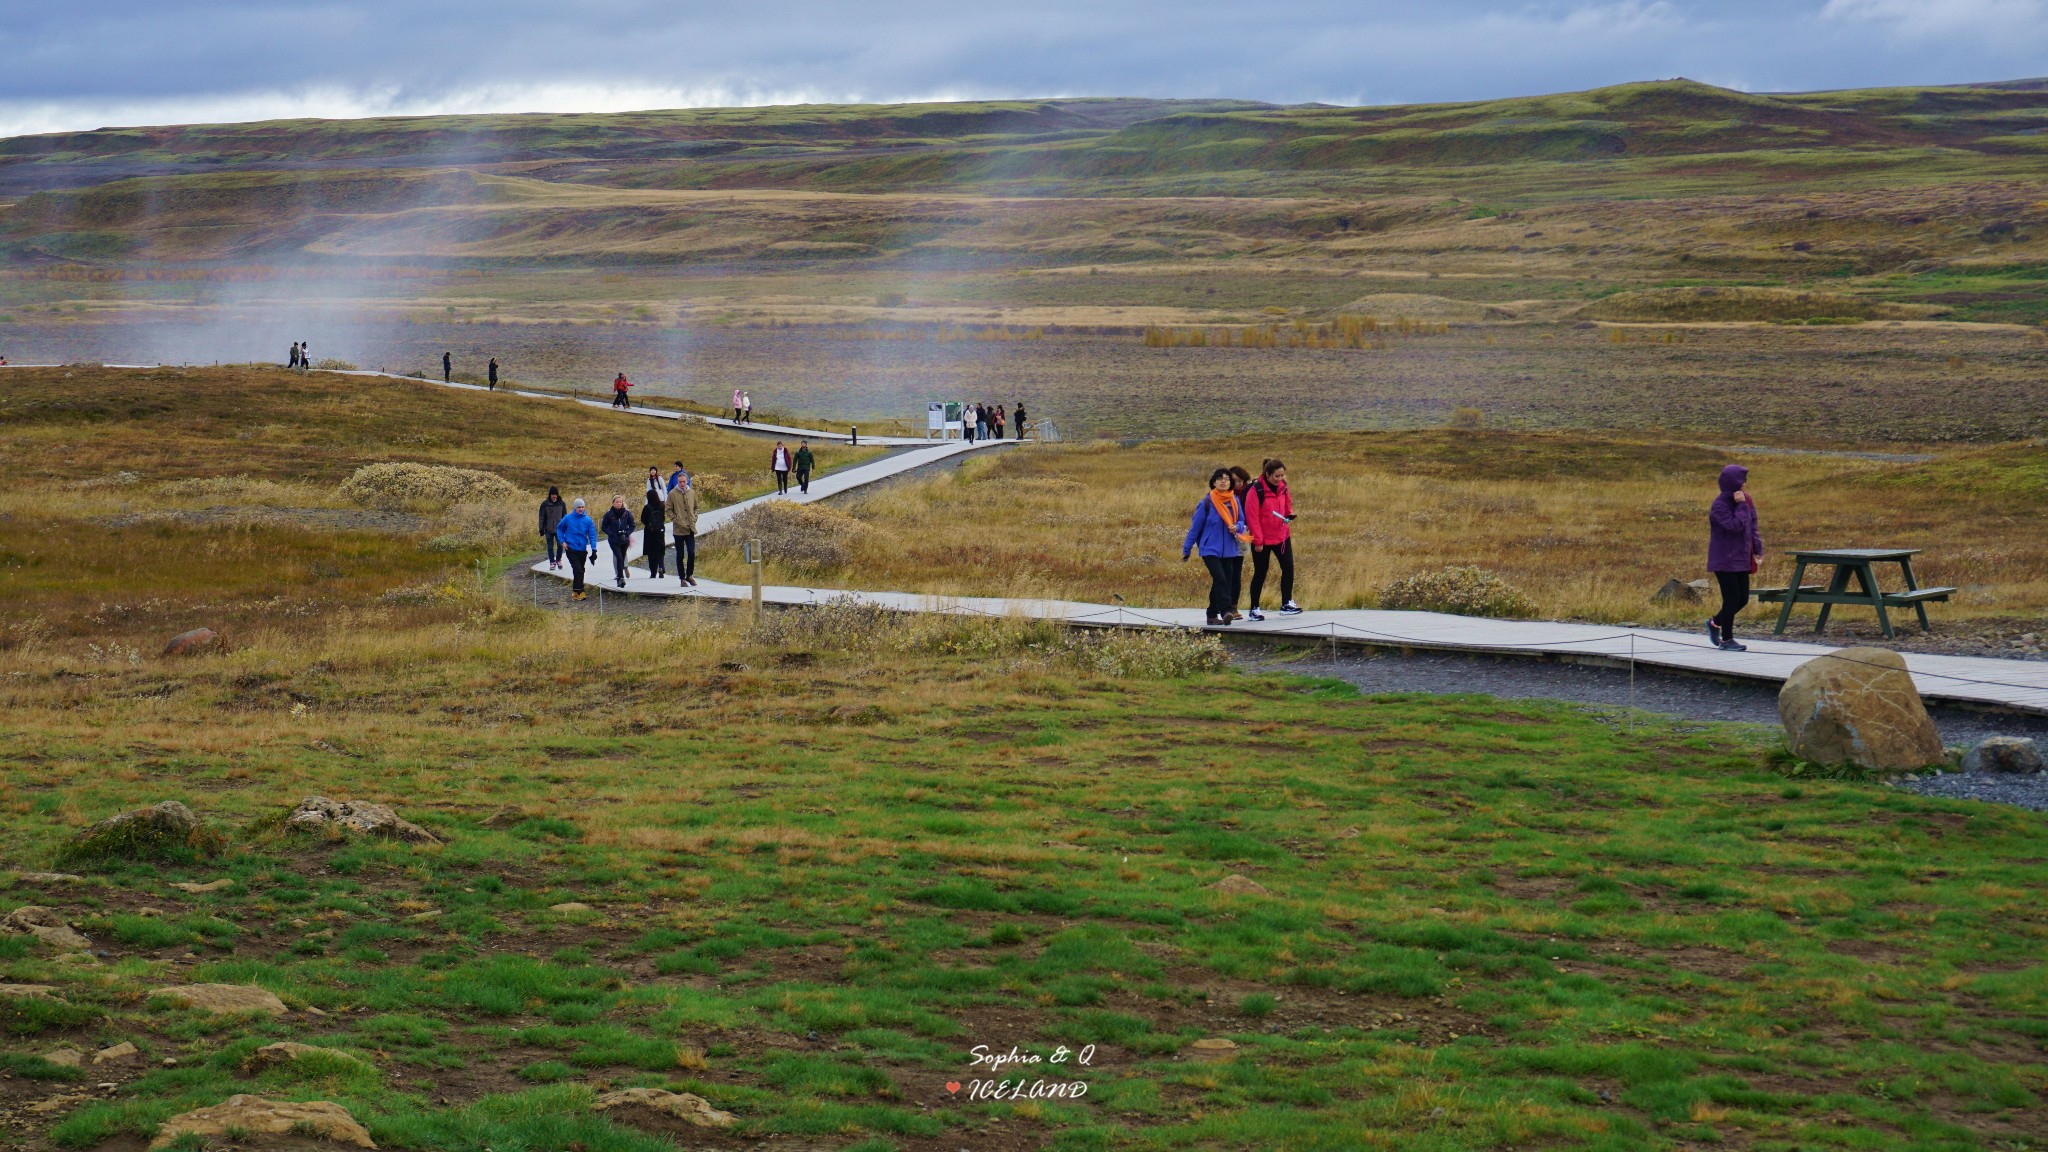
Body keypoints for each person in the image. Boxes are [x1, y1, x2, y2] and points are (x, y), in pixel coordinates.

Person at [1707, 463, 1763, 652]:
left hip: (1741, 557)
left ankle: (1714, 622)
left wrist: (1757, 548)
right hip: (1723, 559)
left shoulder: (1746, 500)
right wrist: (1740, 505)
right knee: (1731, 599)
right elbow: (1735, 526)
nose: (1744, 485)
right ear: (1733, 482)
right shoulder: (1719, 505)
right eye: (1742, 481)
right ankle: (1727, 639)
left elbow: (1751, 525)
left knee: (1743, 599)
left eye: (1745, 481)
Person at [1184, 467, 1250, 627]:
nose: (1223, 481)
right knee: (1221, 578)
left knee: (1222, 580)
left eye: (1227, 479)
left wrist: (1237, 527)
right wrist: (1186, 549)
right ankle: (1226, 611)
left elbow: (1242, 522)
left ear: (1230, 483)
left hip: (1229, 549)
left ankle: (1211, 614)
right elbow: (1195, 528)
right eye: (1220, 478)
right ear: (1213, 482)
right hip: (1209, 549)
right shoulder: (1206, 503)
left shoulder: (1234, 501)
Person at [1245, 458, 1300, 620]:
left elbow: (1287, 504)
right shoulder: (1256, 491)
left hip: (1282, 536)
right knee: (1261, 572)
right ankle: (1254, 608)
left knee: (1288, 567)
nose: (1279, 479)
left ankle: (1286, 603)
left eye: (1282, 475)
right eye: (1276, 476)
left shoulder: (1283, 487)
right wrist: (1258, 542)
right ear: (1267, 474)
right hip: (1262, 539)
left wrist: (1289, 514)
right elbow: (1252, 517)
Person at [556, 498, 597, 600]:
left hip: (582, 549)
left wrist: (594, 549)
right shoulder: (568, 518)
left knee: (580, 570)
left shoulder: (588, 520)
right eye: (579, 507)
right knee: (578, 569)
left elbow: (592, 535)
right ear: (575, 507)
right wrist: (563, 541)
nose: (581, 509)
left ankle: (575, 592)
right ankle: (581, 591)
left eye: (582, 507)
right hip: (570, 548)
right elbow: (559, 529)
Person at [1228, 466, 1254, 616]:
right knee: (1226, 572)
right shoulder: (1223, 496)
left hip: (1241, 536)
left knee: (1236, 572)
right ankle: (1223, 605)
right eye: (1234, 481)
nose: (1238, 484)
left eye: (1240, 481)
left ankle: (1233, 606)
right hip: (1225, 536)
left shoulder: (1249, 494)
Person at [668, 469, 700, 587]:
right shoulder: (672, 493)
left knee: (691, 552)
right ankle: (682, 578)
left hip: (690, 528)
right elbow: (668, 509)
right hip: (679, 530)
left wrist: (694, 517)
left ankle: (689, 575)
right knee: (680, 554)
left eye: (684, 481)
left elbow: (696, 507)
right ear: (678, 481)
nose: (682, 484)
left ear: (687, 481)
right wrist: (676, 520)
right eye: (680, 481)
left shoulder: (691, 492)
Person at [600, 495, 636, 588]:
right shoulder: (609, 514)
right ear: (613, 503)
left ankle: (620, 577)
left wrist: (627, 533)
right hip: (614, 540)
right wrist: (611, 533)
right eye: (617, 502)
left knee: (622, 558)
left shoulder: (627, 513)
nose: (619, 503)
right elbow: (604, 527)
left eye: (620, 502)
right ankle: (620, 578)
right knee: (619, 558)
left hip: (624, 540)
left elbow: (632, 525)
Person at [641, 482, 668, 580]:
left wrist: (648, 525)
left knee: (651, 551)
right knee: (660, 550)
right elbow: (664, 518)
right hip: (660, 531)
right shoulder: (661, 506)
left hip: (650, 532)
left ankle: (653, 572)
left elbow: (643, 519)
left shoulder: (647, 507)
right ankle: (661, 566)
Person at [538, 486, 567, 571]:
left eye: (555, 494)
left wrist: (566, 528)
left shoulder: (562, 504)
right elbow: (541, 517)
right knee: (550, 547)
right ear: (550, 495)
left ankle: (558, 559)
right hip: (548, 529)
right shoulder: (545, 504)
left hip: (559, 529)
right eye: (552, 494)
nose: (554, 496)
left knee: (560, 545)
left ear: (557, 495)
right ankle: (552, 562)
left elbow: (565, 516)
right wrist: (541, 528)